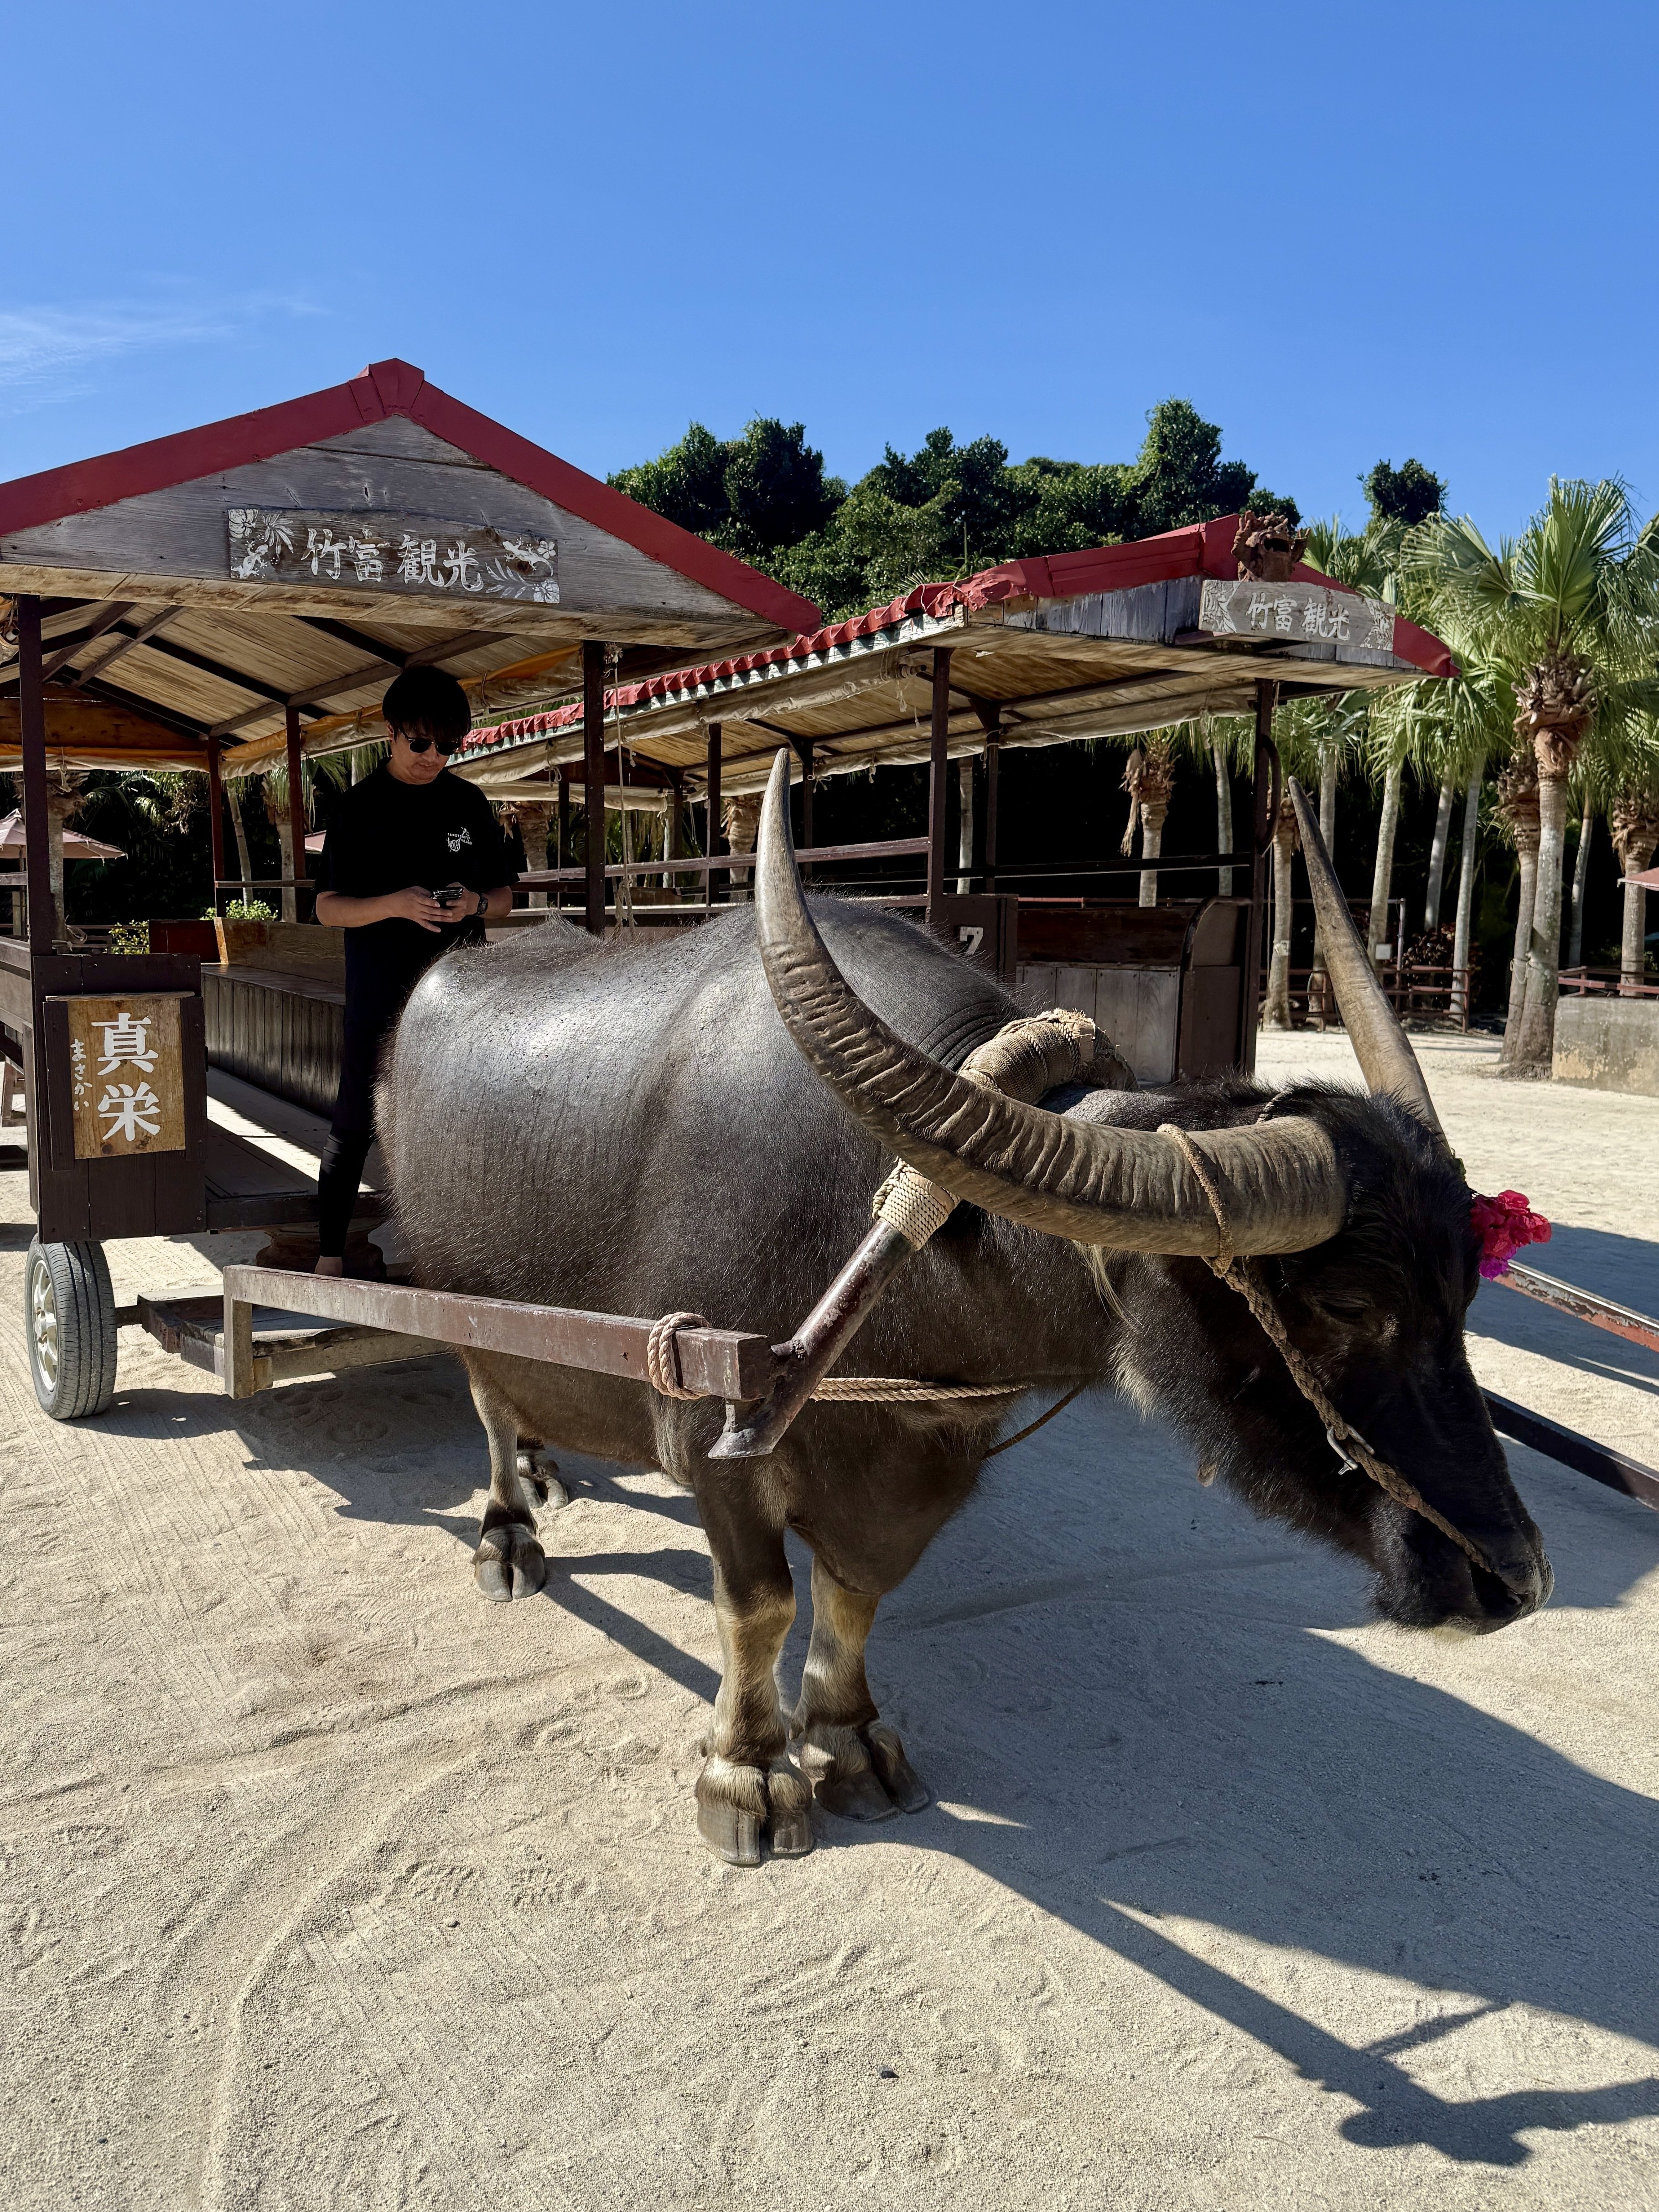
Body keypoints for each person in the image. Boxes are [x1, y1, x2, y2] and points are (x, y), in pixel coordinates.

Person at [311, 667, 515, 1274]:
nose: (434, 758)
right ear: (390, 732)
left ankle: (462, 1262)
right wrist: (394, 905)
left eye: (448, 747)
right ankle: (329, 1259)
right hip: (379, 996)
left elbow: (502, 897)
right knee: (353, 1127)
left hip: (461, 1002)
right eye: (421, 743)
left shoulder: (467, 803)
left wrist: (474, 904)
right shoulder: (355, 810)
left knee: (464, 1128)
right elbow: (326, 909)